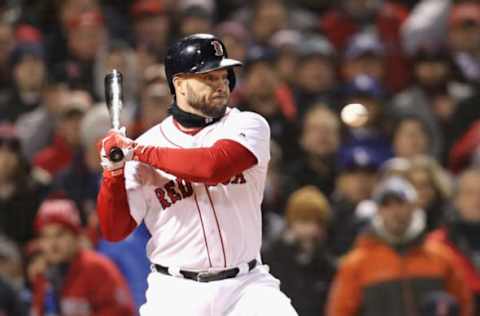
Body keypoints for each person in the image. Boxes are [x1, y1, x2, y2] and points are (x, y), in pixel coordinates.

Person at [96, 33, 298, 316]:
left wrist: (136, 151)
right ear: (179, 84)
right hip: (176, 292)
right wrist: (113, 173)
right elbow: (114, 230)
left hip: (246, 286)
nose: (221, 85)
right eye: (208, 77)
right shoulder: (146, 146)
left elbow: (211, 167)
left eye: (223, 76)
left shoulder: (248, 125)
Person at [326, 176, 472, 316]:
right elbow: (340, 312)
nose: (395, 211)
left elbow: (464, 306)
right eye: (387, 204)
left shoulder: (442, 257)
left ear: (414, 206)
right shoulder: (357, 263)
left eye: (401, 203)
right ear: (378, 210)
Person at [30, 198, 135, 316]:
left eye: (60, 235)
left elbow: (121, 312)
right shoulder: (42, 274)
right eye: (46, 237)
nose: (52, 244)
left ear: (76, 236)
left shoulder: (97, 268)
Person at [263, 186, 336, 316]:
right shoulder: (270, 258)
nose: (311, 229)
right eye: (305, 220)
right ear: (291, 221)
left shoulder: (327, 263)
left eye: (317, 222)